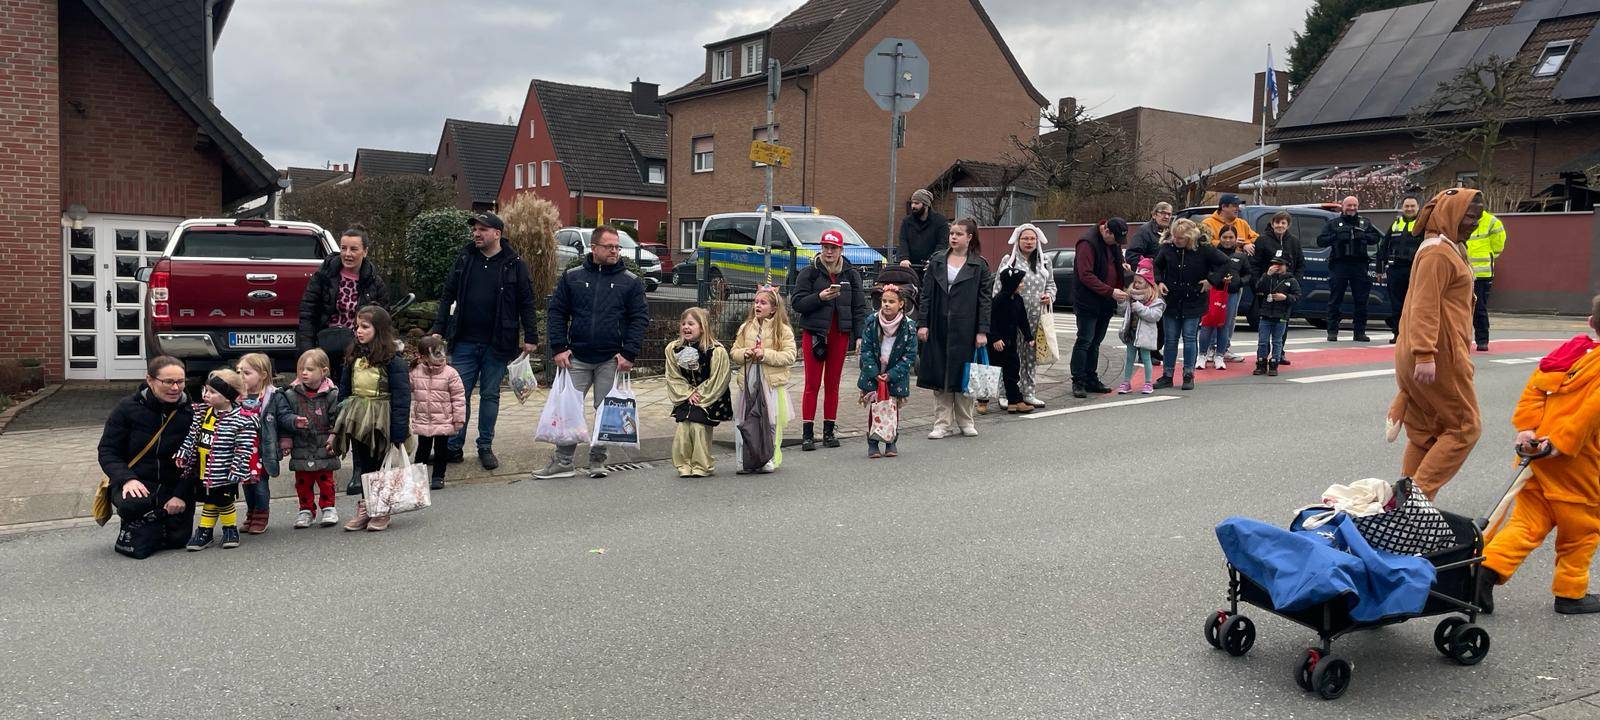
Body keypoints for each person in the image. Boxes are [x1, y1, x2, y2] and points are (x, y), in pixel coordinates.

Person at [1479, 301, 1600, 616]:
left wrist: (1528, 429)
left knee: (1528, 521)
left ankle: (1486, 572)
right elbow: (1591, 413)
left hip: (1537, 457)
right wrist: (1561, 443)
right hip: (1577, 462)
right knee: (1581, 530)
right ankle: (1571, 593)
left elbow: (1534, 389)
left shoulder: (1570, 352)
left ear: (1590, 322)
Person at [1386, 188, 1484, 500]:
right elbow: (1424, 305)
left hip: (1423, 349)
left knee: (1424, 432)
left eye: (1478, 217)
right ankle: (1415, 503)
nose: (1474, 224)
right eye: (1469, 216)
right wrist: (1426, 353)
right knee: (1463, 428)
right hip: (1438, 353)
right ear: (1450, 214)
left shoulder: (1447, 247)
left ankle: (1404, 507)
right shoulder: (1439, 253)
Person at [537, 223, 650, 480]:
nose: (614, 251)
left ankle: (598, 460)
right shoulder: (573, 276)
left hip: (612, 358)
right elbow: (557, 312)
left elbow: (640, 318)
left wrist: (629, 353)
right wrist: (559, 348)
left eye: (617, 247)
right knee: (569, 409)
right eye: (609, 246)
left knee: (606, 410)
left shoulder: (630, 282)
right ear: (594, 247)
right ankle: (564, 461)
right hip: (576, 356)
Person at [429, 211, 539, 471]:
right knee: (459, 395)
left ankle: (485, 446)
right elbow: (447, 295)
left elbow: (527, 302)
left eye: (483, 229)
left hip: (498, 343)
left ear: (497, 234)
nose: (476, 234)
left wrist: (531, 337)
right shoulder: (465, 258)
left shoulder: (514, 263)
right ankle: (454, 448)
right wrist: (439, 329)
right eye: (475, 229)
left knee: (490, 396)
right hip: (465, 340)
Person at [98, 356, 196, 559]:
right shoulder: (127, 408)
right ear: (150, 380)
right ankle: (135, 520)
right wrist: (126, 479)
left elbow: (196, 459)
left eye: (180, 381)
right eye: (168, 382)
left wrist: (180, 494)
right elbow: (107, 450)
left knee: (178, 540)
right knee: (134, 504)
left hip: (173, 485)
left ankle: (156, 523)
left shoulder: (191, 412)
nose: (175, 388)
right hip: (138, 481)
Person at [333, 306, 412, 532]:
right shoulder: (354, 357)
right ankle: (366, 507)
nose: (358, 331)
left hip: (382, 418)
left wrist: (399, 432)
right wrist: (339, 419)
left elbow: (402, 397)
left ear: (379, 330)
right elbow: (345, 389)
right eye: (357, 326)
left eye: (364, 327)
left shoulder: (393, 361)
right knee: (362, 464)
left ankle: (381, 509)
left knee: (381, 464)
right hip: (358, 416)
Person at [791, 230, 869, 451]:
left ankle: (828, 431)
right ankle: (807, 434)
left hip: (840, 335)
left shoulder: (851, 275)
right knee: (812, 384)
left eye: (833, 248)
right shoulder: (809, 273)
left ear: (841, 250)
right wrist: (819, 298)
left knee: (833, 384)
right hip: (815, 334)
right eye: (825, 247)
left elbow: (859, 308)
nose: (828, 251)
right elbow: (797, 303)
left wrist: (859, 334)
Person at [916, 217, 992, 439]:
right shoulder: (938, 261)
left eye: (959, 234)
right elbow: (926, 295)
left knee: (964, 376)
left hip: (966, 327)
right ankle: (941, 423)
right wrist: (923, 323)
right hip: (939, 325)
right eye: (952, 233)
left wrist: (982, 330)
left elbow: (985, 300)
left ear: (969, 237)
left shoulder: (979, 265)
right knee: (940, 376)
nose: (954, 237)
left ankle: (966, 421)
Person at [175, 369, 258, 551]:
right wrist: (184, 453)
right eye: (206, 390)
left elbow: (244, 448)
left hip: (225, 470)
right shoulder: (203, 413)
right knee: (209, 500)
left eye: (213, 392)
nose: (206, 395)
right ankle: (206, 532)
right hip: (204, 469)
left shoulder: (242, 420)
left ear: (227, 397)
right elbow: (192, 436)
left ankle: (227, 529)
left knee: (223, 500)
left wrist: (237, 469)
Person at [298, 225, 389, 385]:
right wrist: (308, 351)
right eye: (343, 248)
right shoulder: (322, 276)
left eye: (354, 249)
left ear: (365, 252)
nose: (347, 254)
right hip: (324, 347)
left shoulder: (375, 282)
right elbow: (308, 314)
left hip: (359, 351)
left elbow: (382, 321)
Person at [268, 348, 342, 529]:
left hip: (323, 444)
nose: (304, 373)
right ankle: (306, 509)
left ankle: (329, 507)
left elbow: (337, 420)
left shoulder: (332, 394)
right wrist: (287, 439)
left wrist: (334, 439)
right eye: (301, 369)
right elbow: (284, 419)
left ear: (324, 371)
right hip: (301, 445)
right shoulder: (291, 394)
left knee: (326, 480)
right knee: (303, 482)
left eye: (309, 369)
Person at [1154, 218, 1228, 391]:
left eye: (1180, 238)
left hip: (1194, 299)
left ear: (1189, 237)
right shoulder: (1167, 248)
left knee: (1189, 339)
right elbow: (1156, 266)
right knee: (1170, 340)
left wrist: (1212, 280)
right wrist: (1159, 282)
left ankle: (1188, 374)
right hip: (1172, 300)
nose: (1176, 240)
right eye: (1174, 236)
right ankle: (1167, 375)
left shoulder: (1204, 249)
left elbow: (1225, 263)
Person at [730, 286, 797, 473]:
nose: (758, 305)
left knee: (770, 422)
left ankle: (769, 457)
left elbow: (790, 355)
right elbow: (734, 352)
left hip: (771, 383)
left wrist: (765, 354)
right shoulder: (746, 328)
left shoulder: (782, 330)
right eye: (756, 302)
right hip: (750, 381)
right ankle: (746, 458)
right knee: (745, 419)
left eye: (763, 302)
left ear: (773, 308)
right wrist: (746, 353)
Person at [664, 307, 732, 478]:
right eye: (684, 323)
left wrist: (700, 394)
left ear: (702, 327)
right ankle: (684, 464)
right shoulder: (673, 349)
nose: (686, 327)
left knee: (698, 426)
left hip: (710, 397)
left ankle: (702, 465)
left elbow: (719, 378)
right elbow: (673, 376)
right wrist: (687, 393)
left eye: (691, 324)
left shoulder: (716, 351)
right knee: (683, 426)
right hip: (686, 396)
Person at [994, 223, 1054, 408]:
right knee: (1009, 356)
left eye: (1032, 239)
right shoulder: (1008, 261)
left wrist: (1049, 296)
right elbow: (998, 287)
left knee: (1029, 356)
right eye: (1025, 238)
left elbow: (1051, 284)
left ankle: (1028, 392)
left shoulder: (1044, 262)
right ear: (1018, 240)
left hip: (1035, 318)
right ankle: (1005, 393)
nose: (1029, 242)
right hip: (1011, 318)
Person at [1070, 218, 1130, 397]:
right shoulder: (1087, 243)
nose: (1117, 244)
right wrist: (1110, 291)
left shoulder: (1112, 243)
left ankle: (1091, 378)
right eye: (1115, 239)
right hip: (1088, 301)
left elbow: (1115, 263)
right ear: (1106, 231)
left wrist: (1123, 268)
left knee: (1095, 342)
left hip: (1105, 301)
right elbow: (1085, 275)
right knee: (1085, 340)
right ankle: (1078, 380)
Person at [859, 283, 917, 458]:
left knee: (892, 408)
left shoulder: (908, 326)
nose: (886, 304)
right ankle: (873, 443)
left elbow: (910, 354)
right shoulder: (872, 321)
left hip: (894, 374)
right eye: (884, 301)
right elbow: (866, 350)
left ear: (901, 304)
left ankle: (891, 441)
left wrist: (891, 374)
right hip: (874, 374)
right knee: (875, 407)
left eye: (891, 301)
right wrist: (874, 372)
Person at [1317, 195, 1383, 342]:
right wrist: (1336, 237)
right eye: (1349, 205)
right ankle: (1332, 331)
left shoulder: (1364, 223)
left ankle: (1359, 332)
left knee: (1361, 300)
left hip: (1359, 265)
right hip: (1339, 264)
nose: (1352, 208)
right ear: (1343, 206)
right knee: (1335, 299)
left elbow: (1376, 238)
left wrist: (1364, 236)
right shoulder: (1334, 223)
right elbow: (1320, 241)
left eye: (1355, 205)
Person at [409, 336, 466, 491]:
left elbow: (459, 397)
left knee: (441, 450)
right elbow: (406, 388)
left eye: (442, 352)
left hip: (443, 420)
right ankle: (417, 478)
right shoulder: (415, 372)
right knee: (422, 450)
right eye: (436, 354)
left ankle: (438, 477)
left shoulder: (450, 373)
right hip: (423, 419)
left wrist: (459, 419)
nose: (441, 356)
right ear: (424, 357)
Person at [1196, 225, 1253, 370]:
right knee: (1207, 323)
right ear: (1219, 238)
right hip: (1213, 292)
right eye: (1225, 237)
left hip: (1231, 294)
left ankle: (1220, 354)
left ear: (1236, 239)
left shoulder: (1240, 256)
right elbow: (1205, 270)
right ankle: (1203, 353)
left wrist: (1240, 282)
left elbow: (1248, 274)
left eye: (1231, 237)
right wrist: (1214, 279)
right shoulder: (1213, 253)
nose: (1227, 240)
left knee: (1224, 324)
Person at [235, 352, 276, 534]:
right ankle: (251, 511)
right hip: (242, 450)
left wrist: (284, 441)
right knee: (247, 484)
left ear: (263, 375)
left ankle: (261, 513)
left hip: (261, 450)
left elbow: (281, 419)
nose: (241, 377)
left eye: (246, 373)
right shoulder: (236, 398)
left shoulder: (272, 396)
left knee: (259, 485)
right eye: (238, 372)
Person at [989, 267, 1036, 414]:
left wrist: (1028, 337)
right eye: (1020, 282)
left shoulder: (1018, 300)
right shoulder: (998, 300)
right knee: (992, 372)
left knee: (1012, 372)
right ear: (1012, 284)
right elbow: (991, 321)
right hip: (997, 345)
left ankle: (1014, 401)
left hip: (1011, 343)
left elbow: (1023, 320)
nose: (1023, 284)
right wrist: (995, 338)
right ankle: (982, 400)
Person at [1377, 196, 1422, 345]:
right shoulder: (1396, 224)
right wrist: (1379, 268)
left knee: (1415, 305)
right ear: (1402, 208)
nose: (1409, 209)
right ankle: (1398, 334)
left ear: (1418, 207)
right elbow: (1384, 246)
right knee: (1396, 304)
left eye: (1412, 206)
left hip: (1414, 270)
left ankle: (1413, 335)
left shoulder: (1423, 225)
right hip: (1395, 270)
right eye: (1407, 206)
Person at [1116, 260, 1165, 394]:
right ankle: (1126, 382)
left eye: (1140, 282)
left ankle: (1148, 382)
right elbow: (1122, 313)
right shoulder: (1130, 296)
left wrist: (1140, 308)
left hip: (1145, 333)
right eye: (1135, 282)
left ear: (1148, 283)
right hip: (1131, 332)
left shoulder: (1155, 300)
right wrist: (1121, 303)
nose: (1136, 285)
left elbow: (1154, 316)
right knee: (1129, 357)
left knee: (1146, 357)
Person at [1254, 252, 1301, 377]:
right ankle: (1261, 362)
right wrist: (1267, 275)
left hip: (1281, 316)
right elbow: (1258, 288)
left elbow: (1297, 297)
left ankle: (1274, 362)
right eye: (1275, 264)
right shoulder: (1268, 277)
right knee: (1262, 341)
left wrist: (1285, 297)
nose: (1277, 266)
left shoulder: (1291, 281)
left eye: (1280, 264)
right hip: (1265, 315)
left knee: (1277, 341)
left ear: (1287, 266)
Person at [1467, 208, 1507, 351]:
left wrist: (1488, 257)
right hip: (1462, 272)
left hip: (1482, 274)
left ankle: (1482, 340)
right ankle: (1462, 340)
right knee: (1459, 309)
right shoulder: (1461, 219)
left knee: (1479, 308)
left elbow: (1498, 246)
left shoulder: (1491, 222)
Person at [896, 188, 949, 270]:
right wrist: (904, 258)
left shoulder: (940, 221)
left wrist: (933, 260)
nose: (913, 206)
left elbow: (942, 244)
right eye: (912, 203)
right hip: (910, 266)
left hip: (931, 267)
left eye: (917, 203)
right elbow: (903, 241)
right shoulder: (907, 221)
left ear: (926, 204)